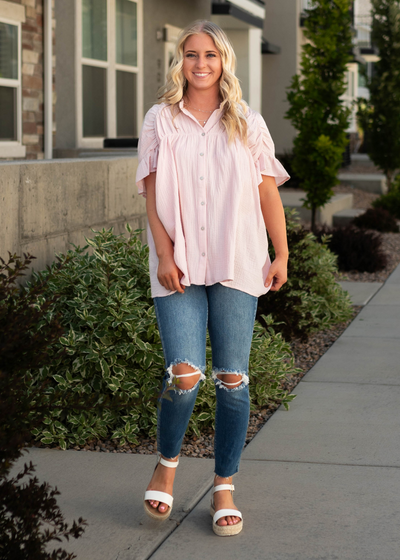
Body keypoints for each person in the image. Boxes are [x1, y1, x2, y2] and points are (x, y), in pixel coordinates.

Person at [136, 20, 289, 537]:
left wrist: (281, 253)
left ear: (224, 61)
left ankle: (224, 485)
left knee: (232, 379)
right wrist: (163, 253)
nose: (200, 64)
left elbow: (269, 194)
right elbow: (151, 193)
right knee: (184, 374)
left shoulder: (247, 120)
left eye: (210, 55)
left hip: (237, 262)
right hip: (178, 263)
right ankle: (167, 463)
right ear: (179, 62)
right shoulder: (161, 119)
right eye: (190, 55)